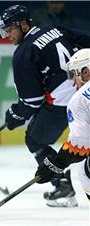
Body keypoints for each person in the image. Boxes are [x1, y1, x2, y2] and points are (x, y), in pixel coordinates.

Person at [0, 5, 90, 207]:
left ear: (23, 24)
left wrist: (15, 114)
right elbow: (86, 42)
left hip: (63, 104)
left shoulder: (23, 53)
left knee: (34, 139)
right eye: (5, 31)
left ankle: (62, 185)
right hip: (86, 91)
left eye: (10, 29)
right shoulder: (54, 28)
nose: (7, 35)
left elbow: (32, 101)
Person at [35, 48, 90, 204]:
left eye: (74, 74)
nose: (73, 80)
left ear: (85, 72)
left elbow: (80, 143)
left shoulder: (79, 99)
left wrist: (57, 163)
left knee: (85, 171)